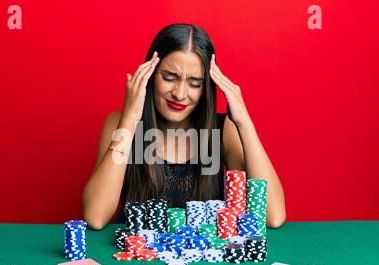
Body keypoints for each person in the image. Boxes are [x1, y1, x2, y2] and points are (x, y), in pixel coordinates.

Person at [82, 23, 286, 230]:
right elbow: (95, 216)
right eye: (169, 77)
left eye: (195, 83)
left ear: (206, 87)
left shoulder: (223, 129)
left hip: (202, 259)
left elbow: (273, 217)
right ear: (150, 75)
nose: (180, 94)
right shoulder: (119, 123)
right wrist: (130, 119)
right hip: (138, 258)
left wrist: (244, 121)